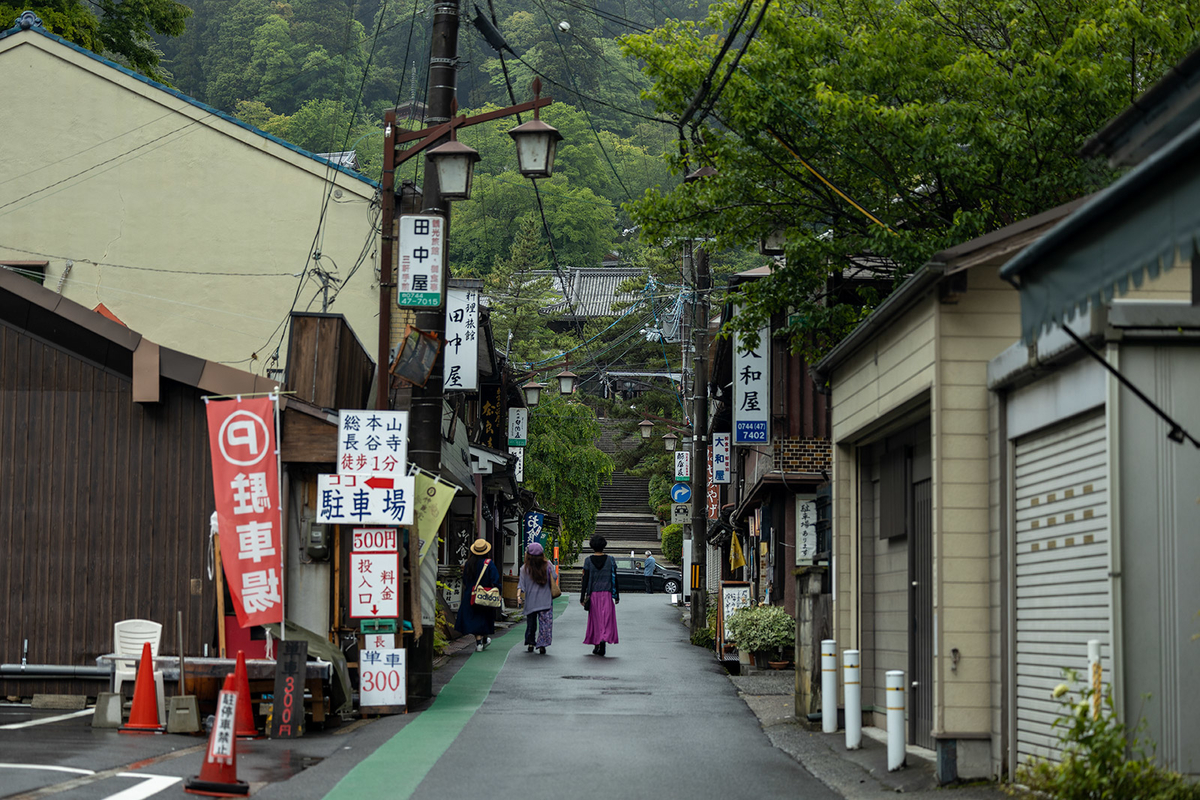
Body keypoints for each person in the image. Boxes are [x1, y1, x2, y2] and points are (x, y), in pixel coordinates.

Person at [456, 539, 499, 652]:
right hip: (485, 594)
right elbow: (495, 579)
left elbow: (465, 580)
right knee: (484, 618)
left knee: (473, 618)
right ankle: (483, 640)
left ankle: (479, 641)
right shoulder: (489, 564)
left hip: (471, 595)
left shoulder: (468, 564)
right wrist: (497, 591)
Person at [581, 534, 619, 656]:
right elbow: (615, 578)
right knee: (607, 620)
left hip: (593, 595)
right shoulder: (611, 560)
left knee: (595, 620)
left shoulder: (588, 561)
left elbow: (585, 580)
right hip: (607, 593)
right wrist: (616, 595)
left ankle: (597, 643)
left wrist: (582, 597)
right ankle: (604, 640)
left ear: (592, 546)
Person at [517, 542, 557, 655]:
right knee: (545, 624)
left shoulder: (524, 568)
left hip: (531, 601)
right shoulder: (548, 565)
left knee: (531, 623)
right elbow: (554, 577)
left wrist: (518, 596)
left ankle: (530, 642)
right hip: (545, 600)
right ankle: (542, 644)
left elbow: (521, 584)